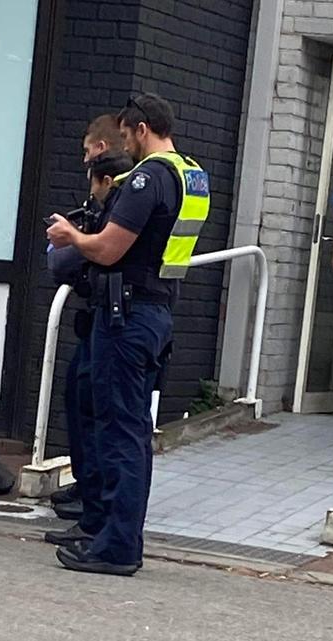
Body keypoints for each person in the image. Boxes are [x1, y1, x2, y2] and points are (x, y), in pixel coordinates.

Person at [47, 93, 210, 576]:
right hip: (155, 309)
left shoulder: (148, 177)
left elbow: (109, 248)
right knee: (122, 426)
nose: (124, 145)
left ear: (141, 130)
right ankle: (103, 531)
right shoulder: (193, 174)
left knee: (121, 432)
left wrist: (71, 237)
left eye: (126, 135)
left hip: (128, 314)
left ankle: (117, 546)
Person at [45, 151, 134, 537]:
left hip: (115, 322)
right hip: (111, 319)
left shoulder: (119, 212)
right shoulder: (123, 208)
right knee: (88, 408)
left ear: (105, 180)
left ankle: (97, 517)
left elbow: (68, 263)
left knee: (101, 420)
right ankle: (95, 513)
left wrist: (72, 238)